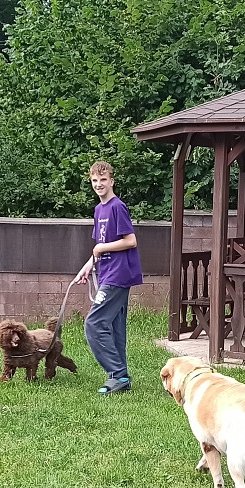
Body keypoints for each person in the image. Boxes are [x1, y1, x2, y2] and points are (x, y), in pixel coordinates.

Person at [76, 161, 143, 394]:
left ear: (111, 181)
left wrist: (101, 249)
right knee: (114, 326)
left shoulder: (117, 207)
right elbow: (100, 244)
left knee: (94, 324)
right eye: (95, 180)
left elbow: (130, 241)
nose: (99, 184)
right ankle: (120, 378)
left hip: (119, 274)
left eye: (103, 180)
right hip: (106, 272)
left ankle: (117, 372)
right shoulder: (99, 210)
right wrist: (88, 265)